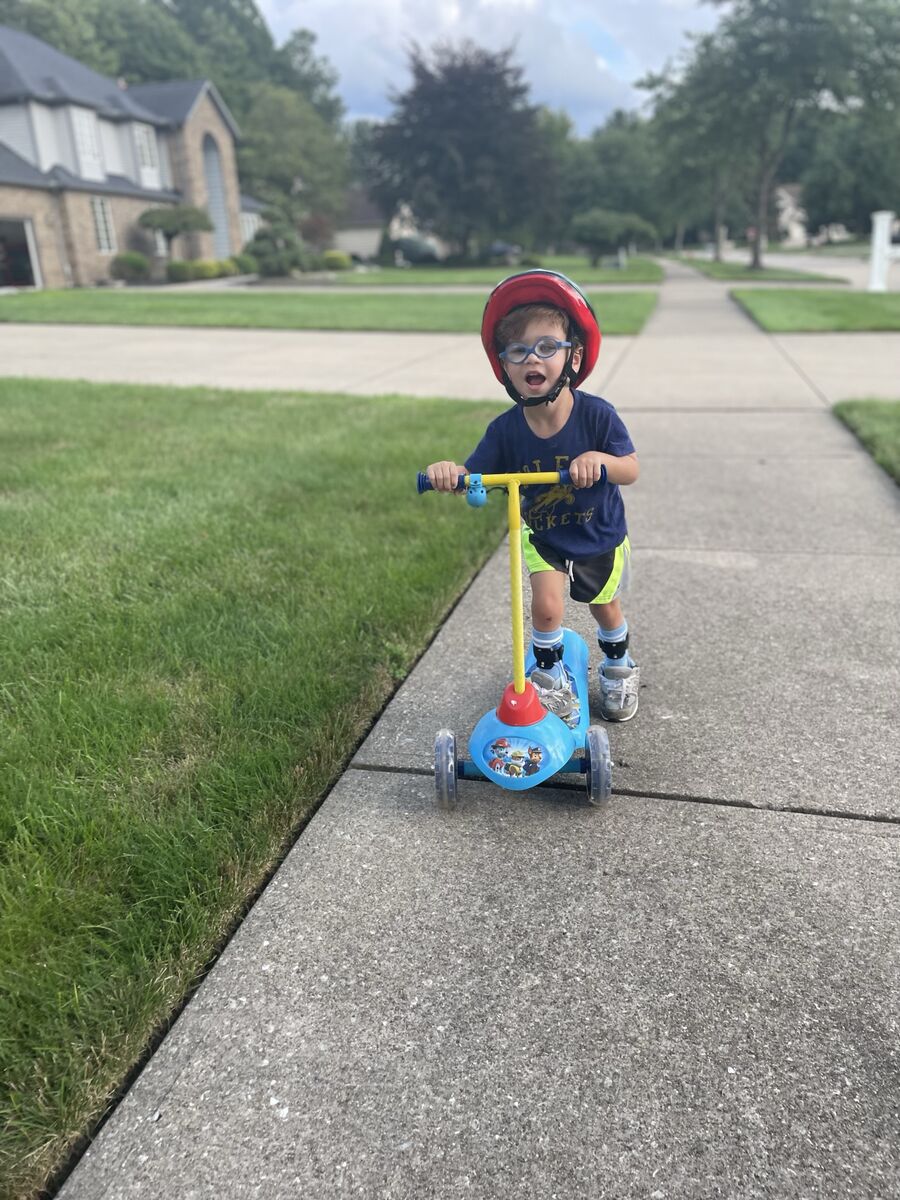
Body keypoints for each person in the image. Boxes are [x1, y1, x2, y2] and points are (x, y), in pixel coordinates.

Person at [426, 269, 640, 722]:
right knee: (544, 609)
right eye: (519, 351)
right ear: (504, 365)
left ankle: (619, 665)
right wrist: (451, 474)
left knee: (604, 605)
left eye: (547, 347)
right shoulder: (505, 430)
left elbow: (631, 468)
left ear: (573, 356)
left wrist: (598, 460)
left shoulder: (597, 416)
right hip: (544, 536)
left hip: (596, 533)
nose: (532, 359)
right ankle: (551, 680)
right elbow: (474, 474)